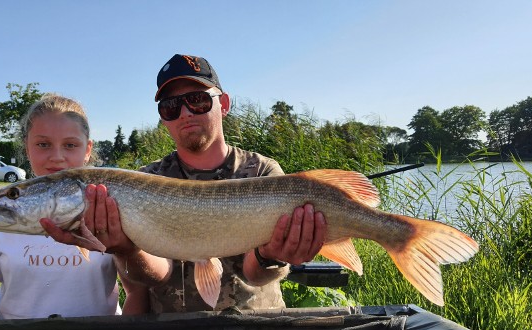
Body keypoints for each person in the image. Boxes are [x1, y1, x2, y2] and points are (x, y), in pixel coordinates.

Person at [45, 54, 326, 313]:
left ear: (224, 104)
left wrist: (271, 256)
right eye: (171, 107)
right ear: (163, 118)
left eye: (198, 100)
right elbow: (158, 273)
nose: (186, 113)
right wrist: (126, 249)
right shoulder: (148, 178)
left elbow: (255, 274)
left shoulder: (262, 172)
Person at [0, 94, 147, 320]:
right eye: (43, 144)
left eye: (70, 145)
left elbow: (138, 293)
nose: (57, 157)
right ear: (27, 148)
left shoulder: (110, 206)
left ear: (87, 150)